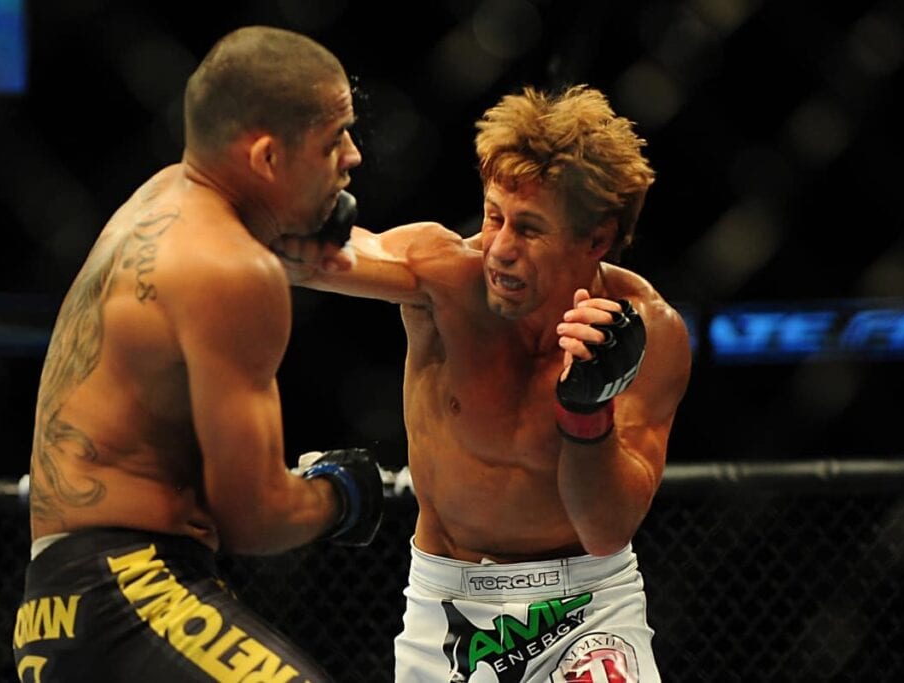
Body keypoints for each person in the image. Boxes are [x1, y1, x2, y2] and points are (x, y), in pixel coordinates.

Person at [276, 84, 691, 681]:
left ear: (596, 238)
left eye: (529, 229)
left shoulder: (650, 332)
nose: (498, 248)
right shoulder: (443, 277)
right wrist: (276, 204)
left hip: (587, 607)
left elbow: (605, 529)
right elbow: (314, 257)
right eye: (494, 214)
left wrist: (587, 414)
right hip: (445, 607)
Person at [12, 26, 384, 683]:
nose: (353, 156)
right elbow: (256, 515)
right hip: (130, 586)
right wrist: (342, 492)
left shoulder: (159, 200)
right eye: (334, 140)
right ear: (267, 157)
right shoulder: (232, 268)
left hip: (56, 597)